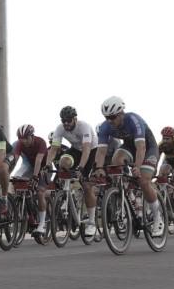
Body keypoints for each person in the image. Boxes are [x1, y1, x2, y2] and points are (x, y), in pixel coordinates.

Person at [94, 96, 163, 233]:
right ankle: (125, 192)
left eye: (112, 117)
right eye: (106, 117)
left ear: (121, 113)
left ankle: (158, 218)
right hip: (129, 147)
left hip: (147, 147)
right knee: (116, 160)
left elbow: (141, 147)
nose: (109, 121)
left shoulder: (133, 120)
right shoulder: (105, 126)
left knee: (143, 181)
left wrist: (137, 167)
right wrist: (99, 168)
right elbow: (101, 151)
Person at [48, 106, 99, 236]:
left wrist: (81, 167)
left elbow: (86, 148)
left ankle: (92, 222)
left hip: (91, 150)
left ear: (75, 119)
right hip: (76, 149)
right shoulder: (60, 128)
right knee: (63, 162)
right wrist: (47, 165)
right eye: (63, 120)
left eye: (68, 120)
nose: (66, 123)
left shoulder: (84, 127)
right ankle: (66, 191)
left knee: (87, 186)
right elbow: (54, 149)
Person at [12, 124, 50, 238]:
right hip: (31, 167)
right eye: (21, 139)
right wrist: (8, 174)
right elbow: (15, 159)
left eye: (26, 138)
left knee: (39, 192)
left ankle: (42, 224)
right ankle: (28, 213)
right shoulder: (19, 144)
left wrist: (35, 177)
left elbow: (39, 160)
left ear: (32, 136)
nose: (24, 141)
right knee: (17, 182)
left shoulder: (40, 142)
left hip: (44, 168)